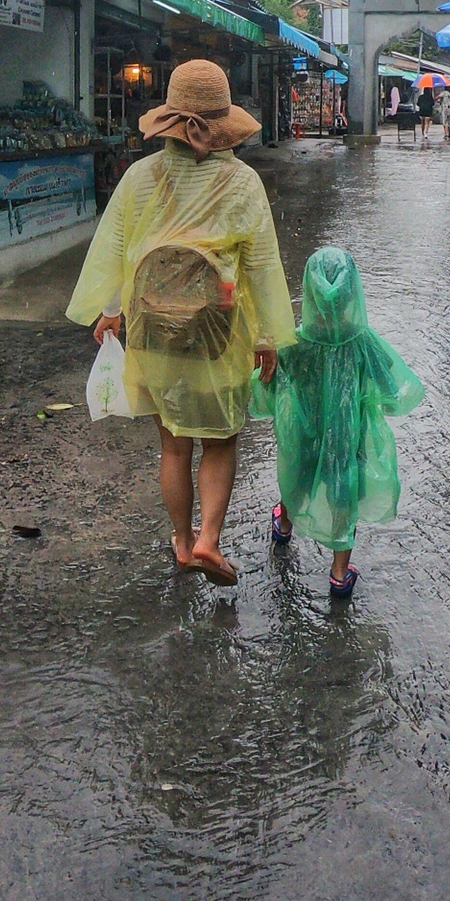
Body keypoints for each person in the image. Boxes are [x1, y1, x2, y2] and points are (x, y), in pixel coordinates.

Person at [67, 59, 295, 586]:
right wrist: (266, 336)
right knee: (219, 439)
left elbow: (115, 250)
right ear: (224, 123)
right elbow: (260, 265)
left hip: (151, 327)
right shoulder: (242, 182)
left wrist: (109, 311)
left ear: (169, 119)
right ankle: (210, 538)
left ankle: (180, 540)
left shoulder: (140, 177)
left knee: (173, 442)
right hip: (217, 331)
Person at [255, 246, 423, 598]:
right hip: (347, 439)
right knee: (343, 493)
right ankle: (339, 572)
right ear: (352, 293)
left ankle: (284, 526)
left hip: (304, 434)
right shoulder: (363, 342)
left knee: (297, 476)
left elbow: (266, 382)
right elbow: (391, 389)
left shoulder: (294, 341)